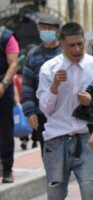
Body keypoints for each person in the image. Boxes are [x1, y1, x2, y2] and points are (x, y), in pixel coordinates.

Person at [36, 22, 93, 200]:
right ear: (61, 43)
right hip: (56, 139)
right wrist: (54, 86)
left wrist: (90, 103)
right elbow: (45, 108)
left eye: (80, 44)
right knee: (55, 197)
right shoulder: (49, 68)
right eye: (71, 45)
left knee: (91, 194)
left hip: (86, 138)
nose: (76, 49)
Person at [22, 15, 62, 157]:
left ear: (57, 31)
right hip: (42, 115)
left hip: (65, 112)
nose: (46, 31)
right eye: (43, 28)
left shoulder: (66, 53)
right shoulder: (33, 56)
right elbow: (27, 86)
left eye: (49, 28)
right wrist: (30, 112)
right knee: (48, 152)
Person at [0, 22, 20, 183]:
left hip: (2, 90)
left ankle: (7, 169)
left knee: (5, 130)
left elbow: (13, 63)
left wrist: (4, 84)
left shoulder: (6, 36)